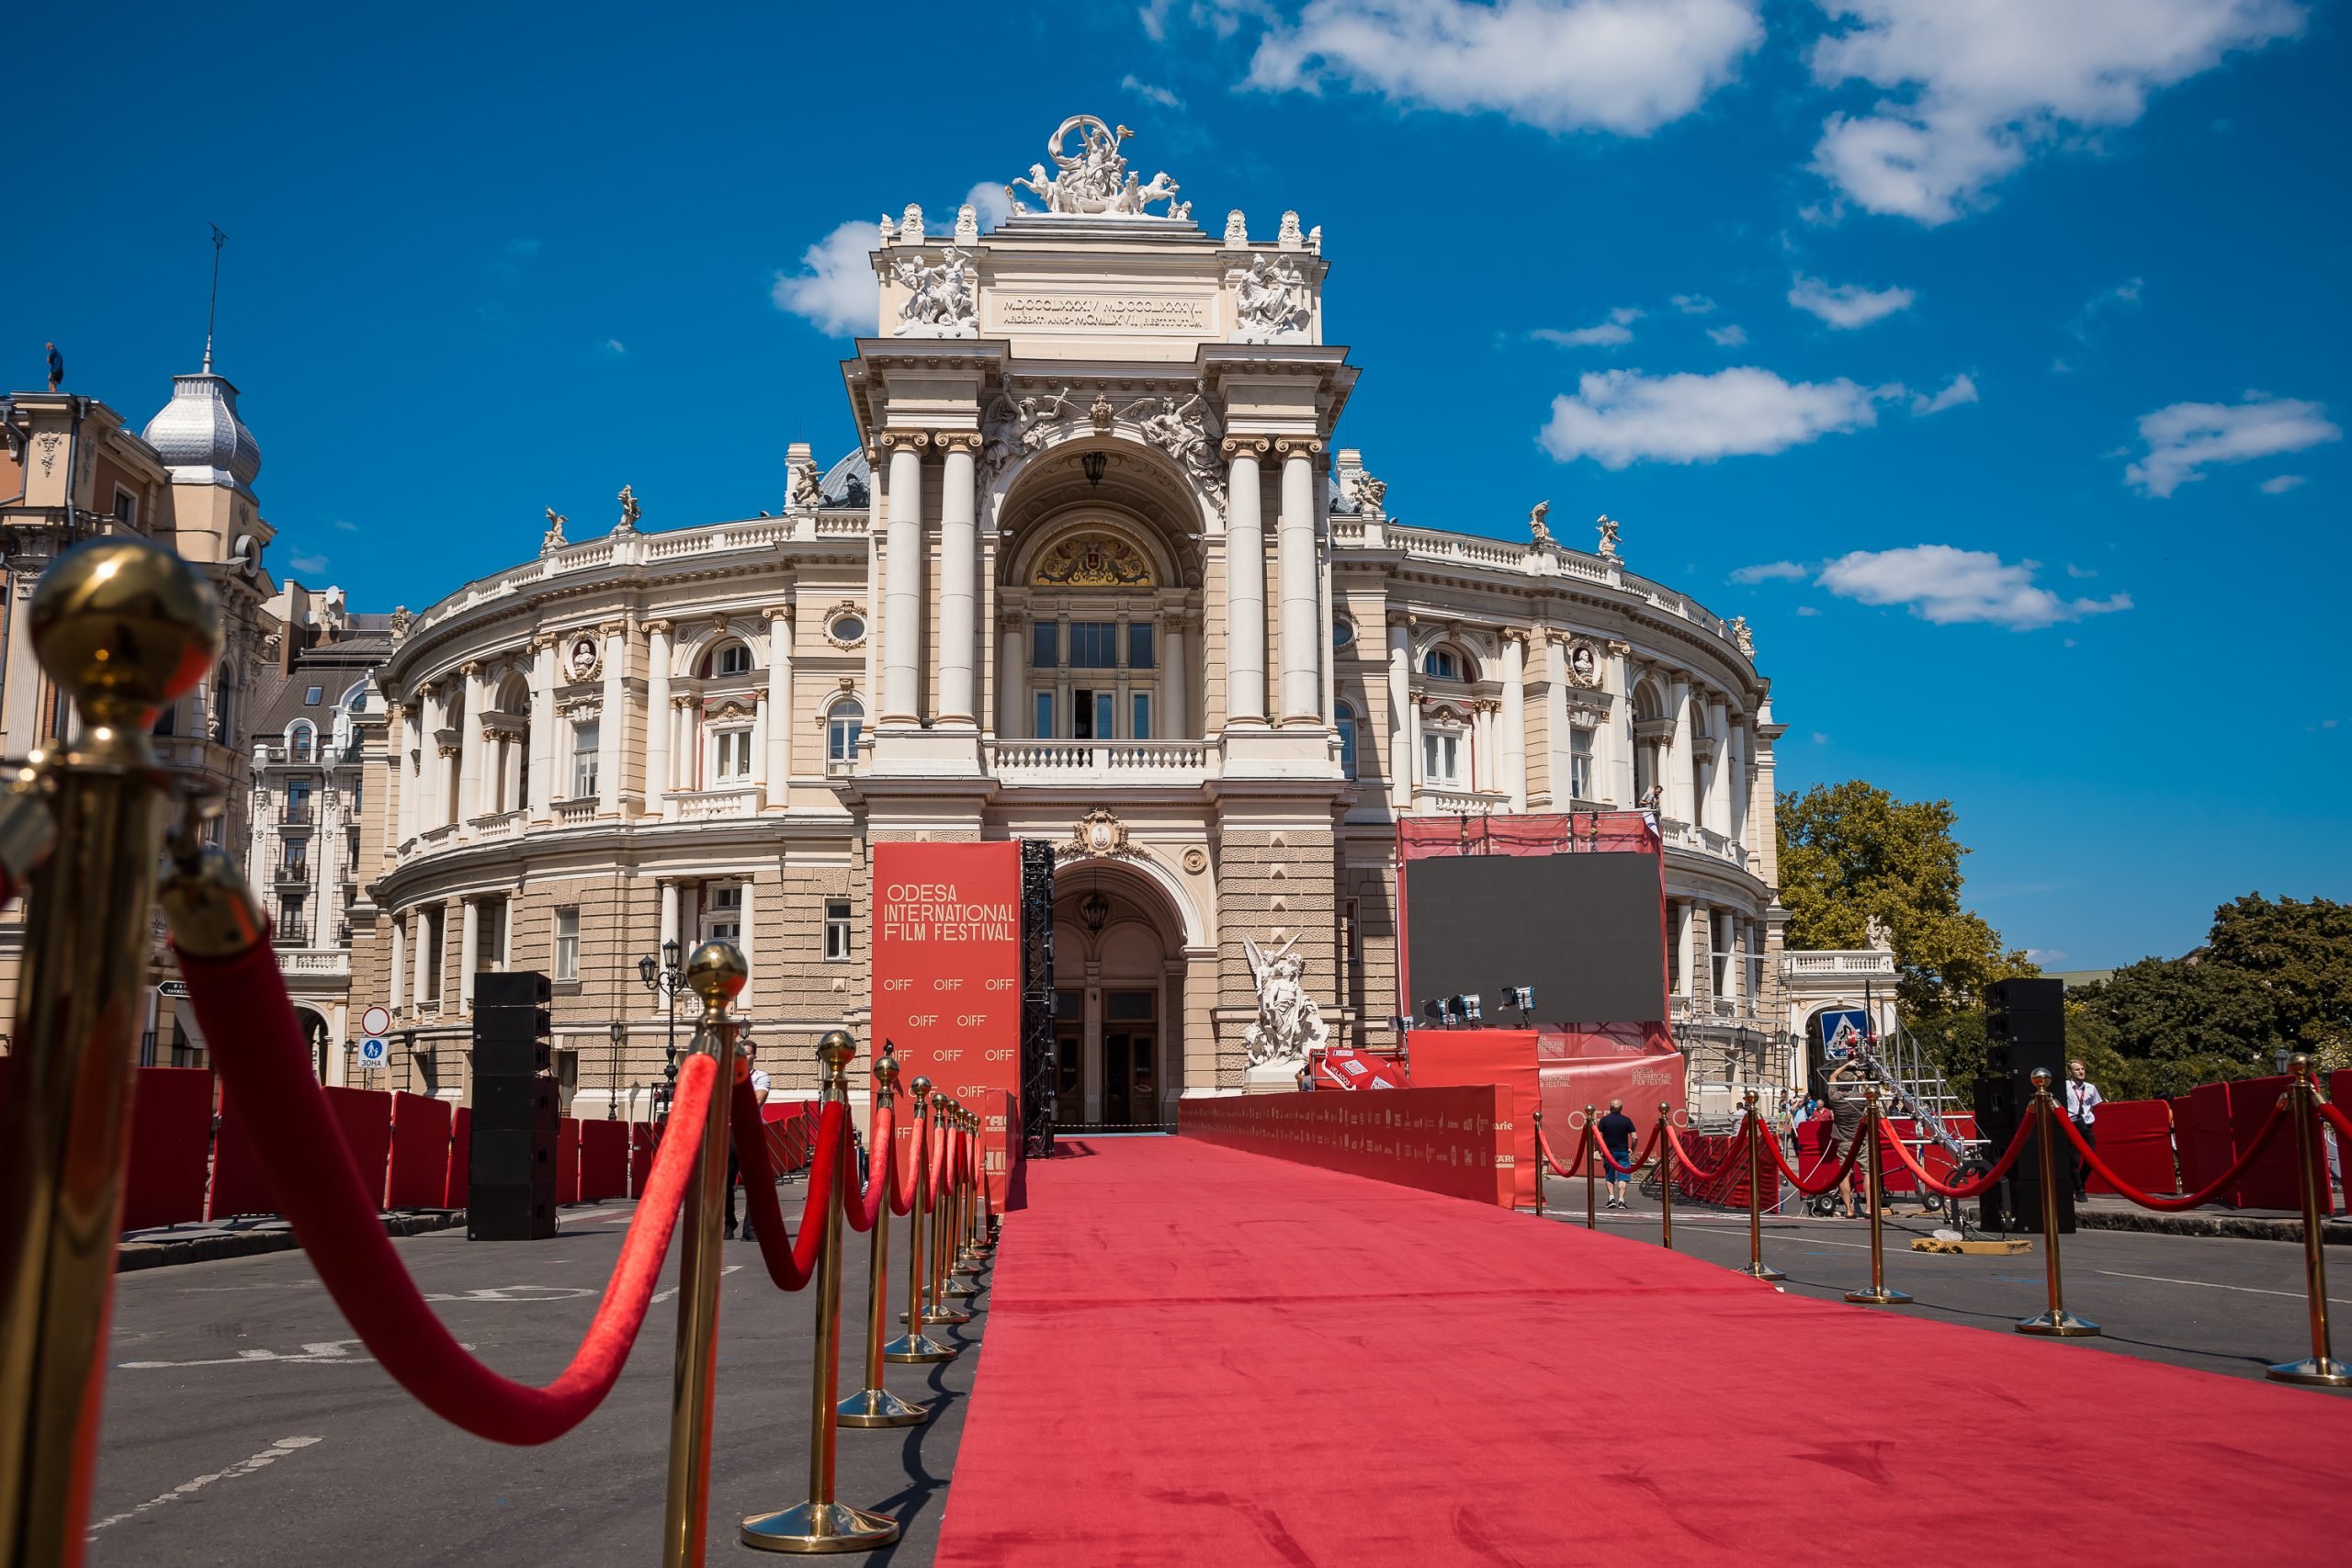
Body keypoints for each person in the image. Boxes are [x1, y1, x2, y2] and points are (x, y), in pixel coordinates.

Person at [723, 1042, 772, 1240]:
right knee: (724, 1182)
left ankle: (750, 1229)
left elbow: (758, 1100)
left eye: (748, 1054)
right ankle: (728, 1223)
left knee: (754, 1182)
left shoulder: (761, 1077)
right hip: (729, 1133)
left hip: (751, 1132)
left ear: (754, 1057)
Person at [1821, 1060, 1868, 1219]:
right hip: (1860, 1140)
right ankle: (1869, 1208)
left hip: (1844, 1141)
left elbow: (1832, 1076)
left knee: (1845, 1174)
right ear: (1852, 1084)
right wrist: (1862, 1079)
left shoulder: (1835, 1098)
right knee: (1867, 1172)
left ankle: (1849, 1209)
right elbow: (1872, 1093)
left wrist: (1846, 1065)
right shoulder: (1860, 1097)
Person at [2064, 1058, 2103, 1202]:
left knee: (2091, 1159)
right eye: (2077, 1069)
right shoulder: (2066, 1086)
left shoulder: (2090, 1088)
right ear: (2070, 1072)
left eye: (2082, 1069)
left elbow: (2093, 1105)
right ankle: (2079, 1190)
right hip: (2072, 1125)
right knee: (2074, 1159)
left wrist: (2087, 1116)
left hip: (2086, 1125)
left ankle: (2081, 1182)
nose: (2081, 1072)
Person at [1597, 1099, 1636, 1210]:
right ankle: (1621, 1200)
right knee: (1623, 1176)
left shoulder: (1604, 1120)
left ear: (1610, 1108)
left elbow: (1597, 1137)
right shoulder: (1626, 1120)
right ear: (1621, 1108)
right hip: (1623, 1151)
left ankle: (1611, 1198)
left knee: (1610, 1176)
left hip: (1609, 1152)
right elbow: (1634, 1137)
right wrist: (1632, 1149)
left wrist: (1597, 1149)